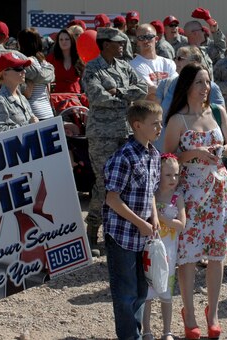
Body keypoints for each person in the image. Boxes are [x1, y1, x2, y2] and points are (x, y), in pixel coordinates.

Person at [162, 63, 227, 340]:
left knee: (217, 254)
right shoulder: (177, 120)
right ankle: (189, 313)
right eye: (199, 83)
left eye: (207, 82)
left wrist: (219, 150)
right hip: (190, 193)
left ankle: (213, 313)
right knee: (189, 256)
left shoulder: (216, 111)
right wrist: (192, 152)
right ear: (187, 86)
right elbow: (167, 157)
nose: (205, 88)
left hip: (219, 191)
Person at [83, 27, 148, 257]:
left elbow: (142, 88)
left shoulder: (124, 67)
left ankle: (116, 233)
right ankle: (92, 230)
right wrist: (121, 96)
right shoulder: (92, 68)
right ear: (105, 44)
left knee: (124, 184)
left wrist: (118, 91)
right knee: (104, 183)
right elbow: (97, 97)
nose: (122, 45)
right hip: (102, 135)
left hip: (124, 131)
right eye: (117, 42)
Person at [103, 100, 162, 340]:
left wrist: (154, 216)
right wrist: (140, 222)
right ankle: (129, 336)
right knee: (125, 291)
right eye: (155, 124)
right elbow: (112, 199)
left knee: (139, 289)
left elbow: (151, 193)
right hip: (122, 235)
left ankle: (133, 333)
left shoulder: (153, 154)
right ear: (137, 125)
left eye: (160, 123)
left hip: (142, 233)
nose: (160, 128)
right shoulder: (124, 157)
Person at [141, 153, 186, 340]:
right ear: (158, 174)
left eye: (176, 175)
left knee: (166, 293)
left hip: (169, 253)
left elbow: (182, 224)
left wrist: (166, 219)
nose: (173, 179)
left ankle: (167, 331)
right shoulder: (151, 195)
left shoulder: (177, 197)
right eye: (168, 175)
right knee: (148, 294)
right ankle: (147, 331)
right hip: (151, 251)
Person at [155, 46, 225, 151]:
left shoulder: (211, 87)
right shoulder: (166, 84)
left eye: (180, 58)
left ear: (195, 62)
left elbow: (219, 120)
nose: (175, 61)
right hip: (164, 150)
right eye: (175, 57)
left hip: (205, 156)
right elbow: (157, 114)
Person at [0, 53, 38, 132]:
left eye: (23, 67)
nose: (24, 71)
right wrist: (28, 124)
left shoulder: (22, 98)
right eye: (18, 68)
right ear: (4, 73)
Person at [130, 24, 177, 102]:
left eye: (149, 37)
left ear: (156, 39)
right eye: (141, 38)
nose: (145, 41)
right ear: (137, 41)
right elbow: (150, 88)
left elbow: (177, 85)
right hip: (148, 112)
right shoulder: (133, 65)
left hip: (170, 111)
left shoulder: (168, 63)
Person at [17, 28, 54, 121]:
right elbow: (48, 90)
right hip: (48, 111)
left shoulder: (26, 62)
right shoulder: (44, 62)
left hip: (33, 113)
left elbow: (27, 93)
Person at [46, 28, 85, 94]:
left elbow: (85, 80)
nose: (63, 42)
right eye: (61, 39)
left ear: (72, 40)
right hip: (56, 97)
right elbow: (46, 80)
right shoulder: (51, 59)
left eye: (67, 39)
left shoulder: (79, 58)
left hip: (76, 97)